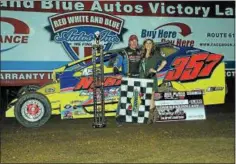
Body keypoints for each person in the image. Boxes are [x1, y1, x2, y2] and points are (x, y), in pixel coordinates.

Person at [113, 34, 142, 126]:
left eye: (135, 41)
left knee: (136, 99)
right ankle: (119, 119)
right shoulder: (123, 52)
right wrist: (117, 73)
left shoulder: (140, 52)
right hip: (127, 78)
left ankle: (134, 117)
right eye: (132, 41)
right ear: (129, 42)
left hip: (138, 78)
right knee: (123, 99)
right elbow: (116, 65)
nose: (134, 43)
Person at [139, 38, 167, 124]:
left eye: (150, 43)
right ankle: (155, 114)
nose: (148, 45)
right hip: (142, 77)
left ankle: (150, 117)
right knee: (146, 97)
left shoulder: (155, 54)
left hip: (151, 77)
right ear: (144, 45)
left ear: (152, 45)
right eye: (146, 43)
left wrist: (156, 70)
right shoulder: (141, 54)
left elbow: (164, 61)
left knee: (150, 97)